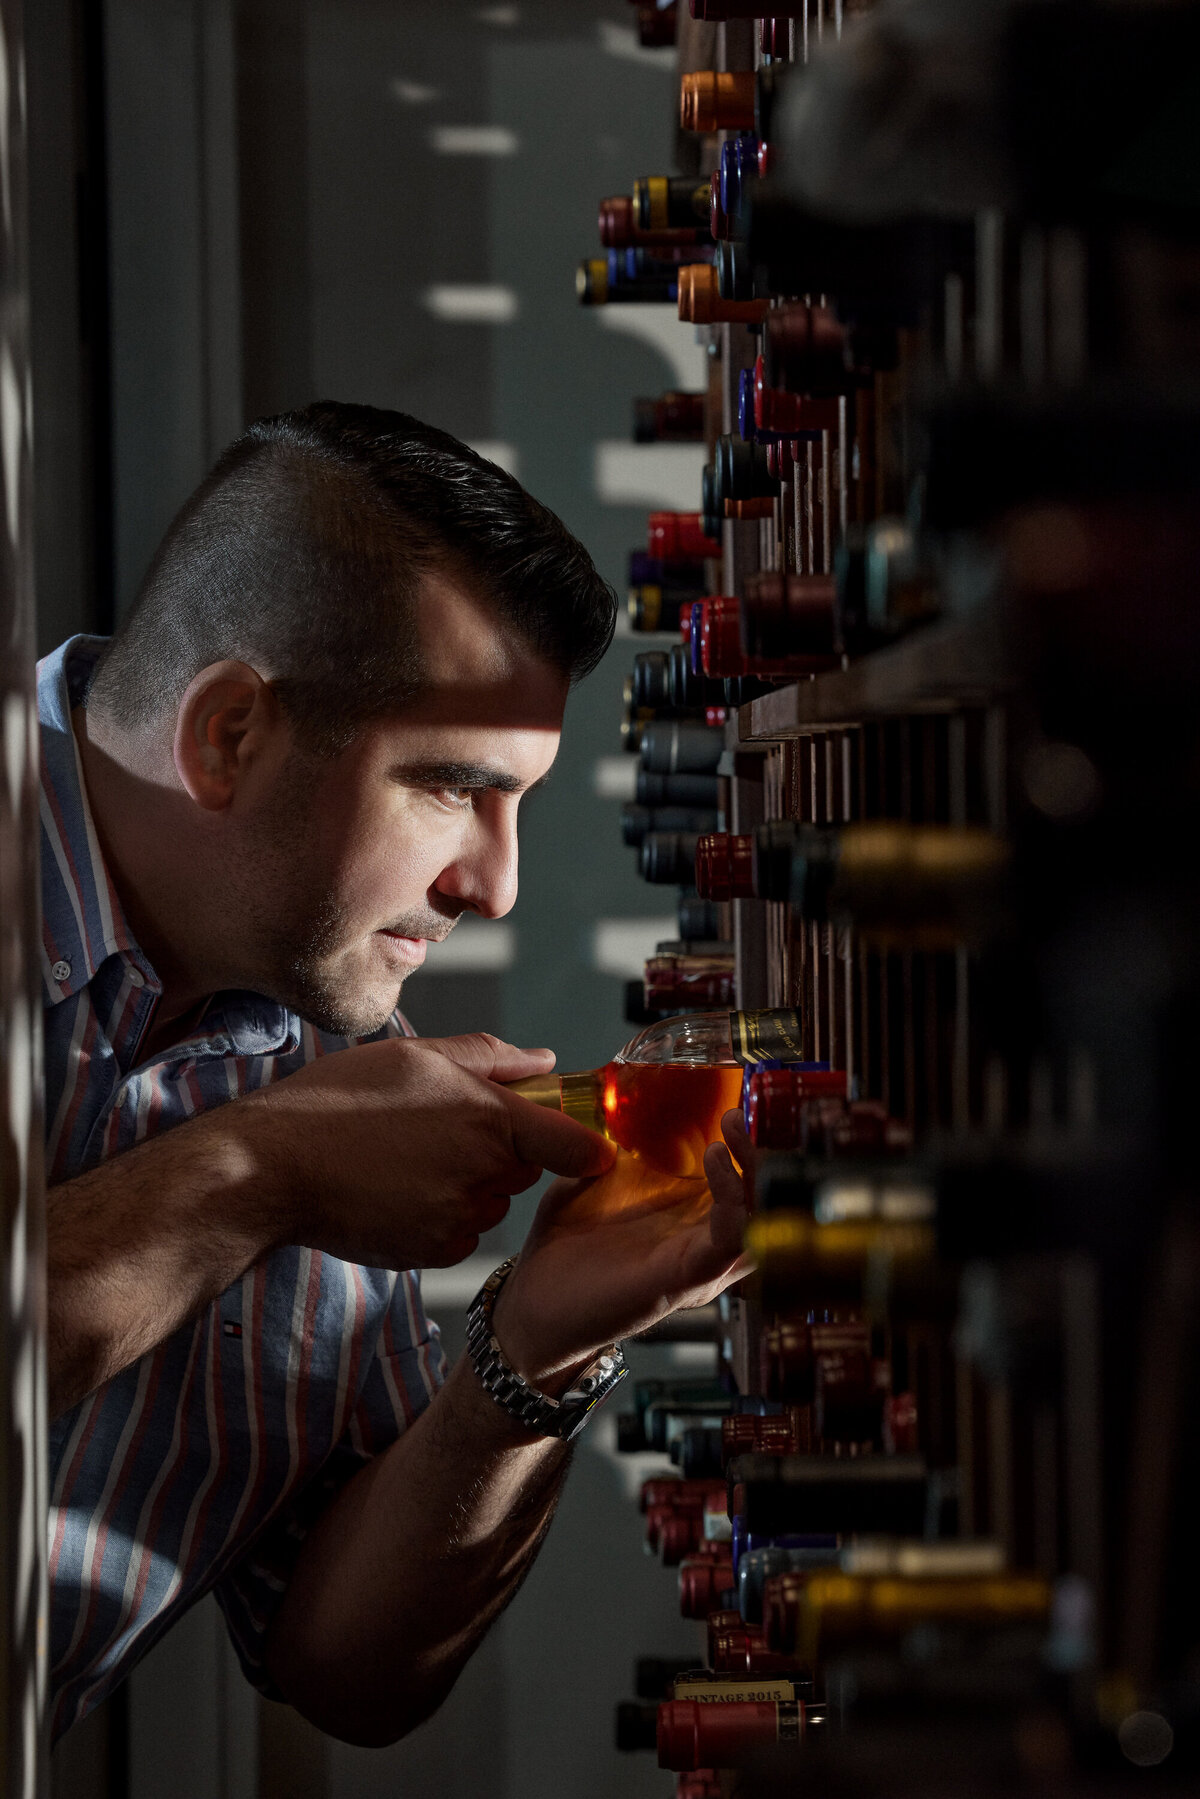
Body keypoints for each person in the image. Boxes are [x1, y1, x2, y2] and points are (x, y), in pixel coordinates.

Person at [43, 401, 752, 1747]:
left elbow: (348, 1672)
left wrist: (537, 1348)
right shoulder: (327, 1120)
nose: (495, 885)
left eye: (516, 805)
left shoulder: (334, 1052)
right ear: (231, 735)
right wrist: (262, 1170)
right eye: (449, 790)